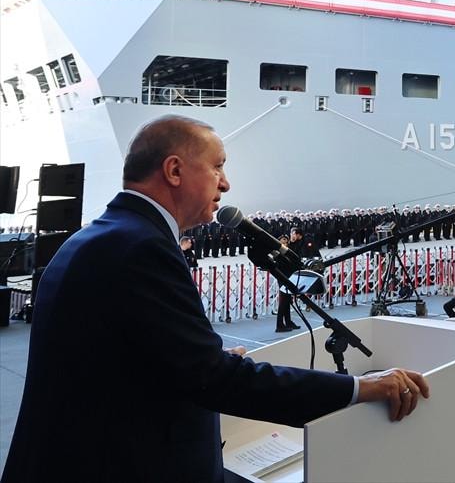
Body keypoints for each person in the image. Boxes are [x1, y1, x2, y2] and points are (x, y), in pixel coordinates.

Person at [2, 115, 428, 483]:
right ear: (174, 170)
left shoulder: (99, 238)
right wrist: (360, 387)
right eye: (217, 166)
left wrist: (199, 355)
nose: (225, 182)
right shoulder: (142, 249)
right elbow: (216, 381)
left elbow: (118, 363)